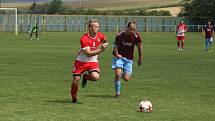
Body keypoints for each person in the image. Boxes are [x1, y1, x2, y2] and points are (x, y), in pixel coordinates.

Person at [70, 19, 109, 103]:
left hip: (93, 62)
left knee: (95, 77)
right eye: (96, 27)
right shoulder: (84, 38)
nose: (98, 29)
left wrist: (105, 44)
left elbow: (105, 40)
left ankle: (86, 77)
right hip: (81, 62)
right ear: (90, 28)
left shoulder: (100, 36)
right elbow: (88, 54)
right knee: (75, 81)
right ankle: (74, 98)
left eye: (98, 27)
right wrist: (101, 50)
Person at [112, 21, 142, 98]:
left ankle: (120, 74)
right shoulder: (120, 35)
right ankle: (117, 93)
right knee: (118, 74)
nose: (132, 31)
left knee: (126, 78)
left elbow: (139, 47)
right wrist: (117, 54)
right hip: (120, 57)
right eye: (130, 29)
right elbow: (115, 47)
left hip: (129, 60)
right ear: (127, 28)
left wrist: (140, 58)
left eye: (134, 29)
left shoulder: (136, 36)